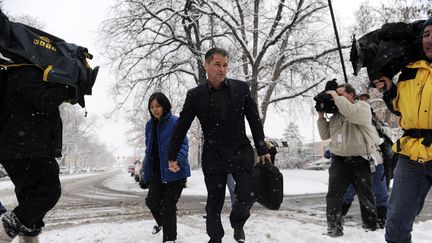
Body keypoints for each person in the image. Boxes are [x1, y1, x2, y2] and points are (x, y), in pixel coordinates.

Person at [168, 47, 270, 243]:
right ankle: (215, 238)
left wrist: (262, 148)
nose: (222, 69)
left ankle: (237, 221)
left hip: (240, 151)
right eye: (217, 65)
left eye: (225, 65)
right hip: (214, 155)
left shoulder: (241, 88)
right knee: (214, 202)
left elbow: (254, 120)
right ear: (206, 65)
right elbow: (182, 126)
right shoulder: (195, 95)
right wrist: (172, 155)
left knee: (249, 195)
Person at [373, 17, 432, 243]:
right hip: (411, 153)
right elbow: (401, 107)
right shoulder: (410, 70)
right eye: (426, 34)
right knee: (396, 223)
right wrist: (390, 90)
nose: (429, 39)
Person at [0, 65, 72, 242]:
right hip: (27, 147)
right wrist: (66, 87)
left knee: (30, 198)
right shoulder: (24, 70)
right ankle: (4, 231)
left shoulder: (14, 72)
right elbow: (44, 101)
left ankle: (28, 237)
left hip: (18, 147)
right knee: (48, 192)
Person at [317, 83, 378, 237]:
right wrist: (321, 116)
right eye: (335, 94)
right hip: (339, 161)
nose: (336, 97)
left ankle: (370, 229)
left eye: (341, 94)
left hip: (360, 160)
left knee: (366, 196)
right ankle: (333, 228)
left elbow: (351, 113)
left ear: (352, 95)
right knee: (333, 196)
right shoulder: (337, 114)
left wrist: (337, 98)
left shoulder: (362, 107)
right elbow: (325, 135)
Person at [142, 92, 191, 243]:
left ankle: (170, 239)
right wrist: (145, 168)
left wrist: (178, 160)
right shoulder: (149, 126)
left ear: (164, 106)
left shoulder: (175, 122)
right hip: (158, 172)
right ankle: (163, 222)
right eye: (151, 107)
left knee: (168, 206)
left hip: (175, 171)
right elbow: (149, 149)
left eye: (158, 106)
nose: (155, 109)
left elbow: (184, 144)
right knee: (151, 201)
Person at [340, 92, 389, 229]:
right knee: (349, 191)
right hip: (357, 160)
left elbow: (386, 134)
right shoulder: (351, 116)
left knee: (381, 193)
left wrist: (382, 131)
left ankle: (381, 221)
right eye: (361, 98)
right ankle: (340, 216)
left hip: (376, 160)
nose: (364, 100)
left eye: (366, 98)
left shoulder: (375, 120)